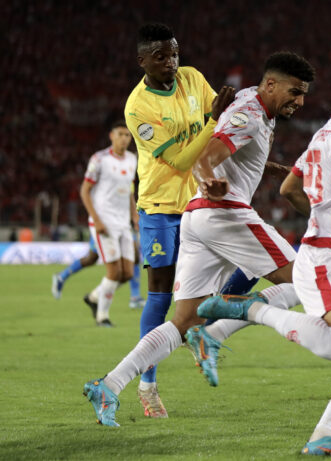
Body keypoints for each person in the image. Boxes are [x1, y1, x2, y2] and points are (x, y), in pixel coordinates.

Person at [82, 51, 315, 427]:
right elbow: (207, 155)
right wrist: (209, 176)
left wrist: (274, 170)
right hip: (224, 213)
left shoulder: (251, 105)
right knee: (306, 280)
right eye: (295, 91)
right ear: (270, 84)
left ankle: (108, 385)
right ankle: (218, 331)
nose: (300, 102)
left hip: (197, 217)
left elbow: (230, 151)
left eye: (303, 94)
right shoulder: (250, 113)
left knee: (184, 321)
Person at [198, 58, 331, 457]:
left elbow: (291, 187)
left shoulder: (328, 132)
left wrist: (321, 220)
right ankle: (251, 310)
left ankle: (323, 437)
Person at [84, 22, 234, 420]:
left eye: (175, 53)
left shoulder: (192, 78)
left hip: (198, 204)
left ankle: (203, 334)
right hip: (160, 208)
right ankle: (148, 389)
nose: (172, 62)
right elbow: (182, 158)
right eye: (161, 56)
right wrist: (213, 122)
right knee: (161, 296)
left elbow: (213, 136)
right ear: (142, 61)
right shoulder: (138, 108)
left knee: (228, 276)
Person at [77, 120, 139, 327]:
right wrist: (96, 219)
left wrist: (134, 216)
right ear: (111, 136)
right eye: (121, 134)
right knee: (114, 272)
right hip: (104, 221)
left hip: (123, 223)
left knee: (128, 273)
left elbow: (129, 191)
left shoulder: (132, 159)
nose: (124, 139)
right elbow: (85, 191)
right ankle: (102, 316)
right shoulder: (100, 159)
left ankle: (94, 296)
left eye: (128, 135)